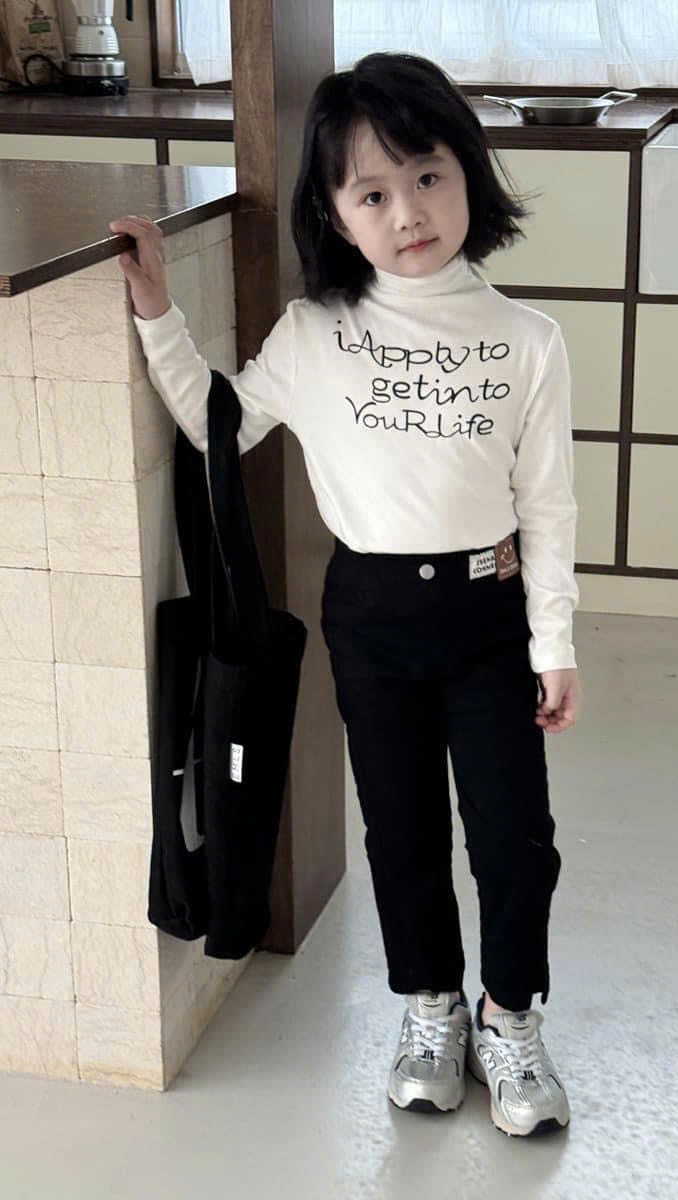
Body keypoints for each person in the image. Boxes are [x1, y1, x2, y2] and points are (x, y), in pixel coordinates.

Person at [110, 51, 582, 1139]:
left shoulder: (528, 342)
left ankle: (509, 1015)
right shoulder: (314, 334)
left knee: (516, 836)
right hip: (370, 617)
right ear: (334, 212)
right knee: (399, 828)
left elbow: (548, 507)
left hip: (489, 614)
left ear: (469, 174)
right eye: (372, 193)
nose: (407, 212)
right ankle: (431, 1008)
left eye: (427, 176)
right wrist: (156, 309)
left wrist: (554, 642)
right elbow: (218, 426)